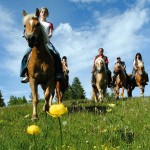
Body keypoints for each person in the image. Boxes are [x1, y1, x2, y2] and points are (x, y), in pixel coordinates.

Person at [20, 7, 62, 83]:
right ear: (39, 13)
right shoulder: (35, 21)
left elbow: (50, 34)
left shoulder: (49, 24)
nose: (43, 13)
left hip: (46, 42)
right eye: (42, 12)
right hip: (35, 41)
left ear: (47, 14)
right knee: (25, 54)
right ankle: (24, 74)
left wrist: (47, 36)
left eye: (45, 12)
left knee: (56, 54)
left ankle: (58, 73)